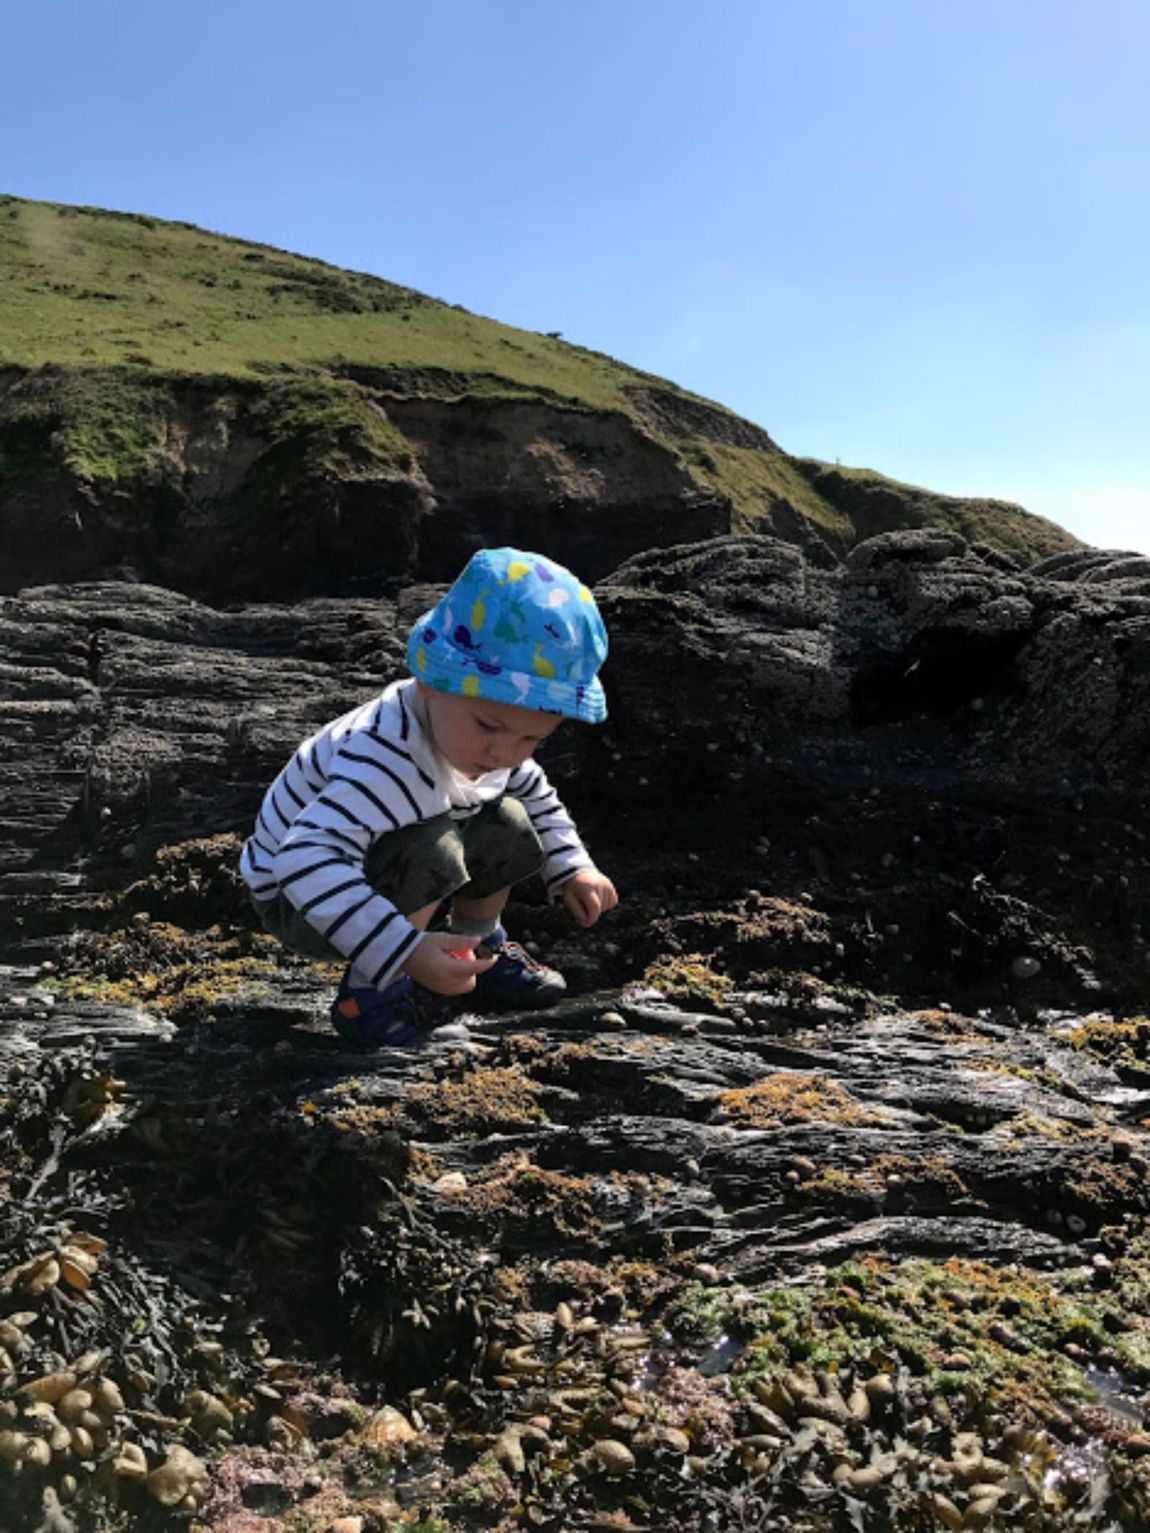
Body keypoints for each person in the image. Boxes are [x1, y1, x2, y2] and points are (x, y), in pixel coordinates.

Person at [238, 547, 618, 1047]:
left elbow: (537, 795)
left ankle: (475, 948)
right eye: (489, 725)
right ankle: (371, 993)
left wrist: (573, 867)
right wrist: (407, 952)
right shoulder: (383, 757)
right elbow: (305, 861)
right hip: (299, 901)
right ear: (430, 680)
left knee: (509, 821)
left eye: (532, 739)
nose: (505, 751)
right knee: (432, 845)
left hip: (361, 869)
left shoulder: (489, 743)